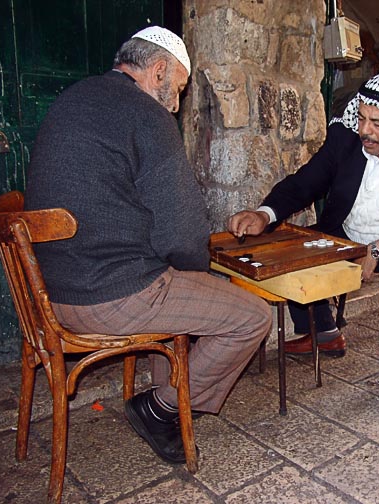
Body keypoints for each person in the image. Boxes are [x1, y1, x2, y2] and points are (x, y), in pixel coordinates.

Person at [24, 27, 272, 464]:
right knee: (252, 315)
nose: (176, 105)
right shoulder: (146, 114)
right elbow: (181, 234)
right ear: (158, 70)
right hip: (108, 294)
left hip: (49, 295)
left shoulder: (74, 97)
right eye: (176, 90)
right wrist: (201, 270)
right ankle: (158, 409)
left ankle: (167, 396)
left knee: (177, 284)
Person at [228, 72, 379, 412]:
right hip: (348, 230)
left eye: (377, 123)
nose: (365, 131)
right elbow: (306, 182)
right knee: (298, 246)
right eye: (361, 118)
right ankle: (324, 333)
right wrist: (265, 214)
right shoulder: (346, 138)